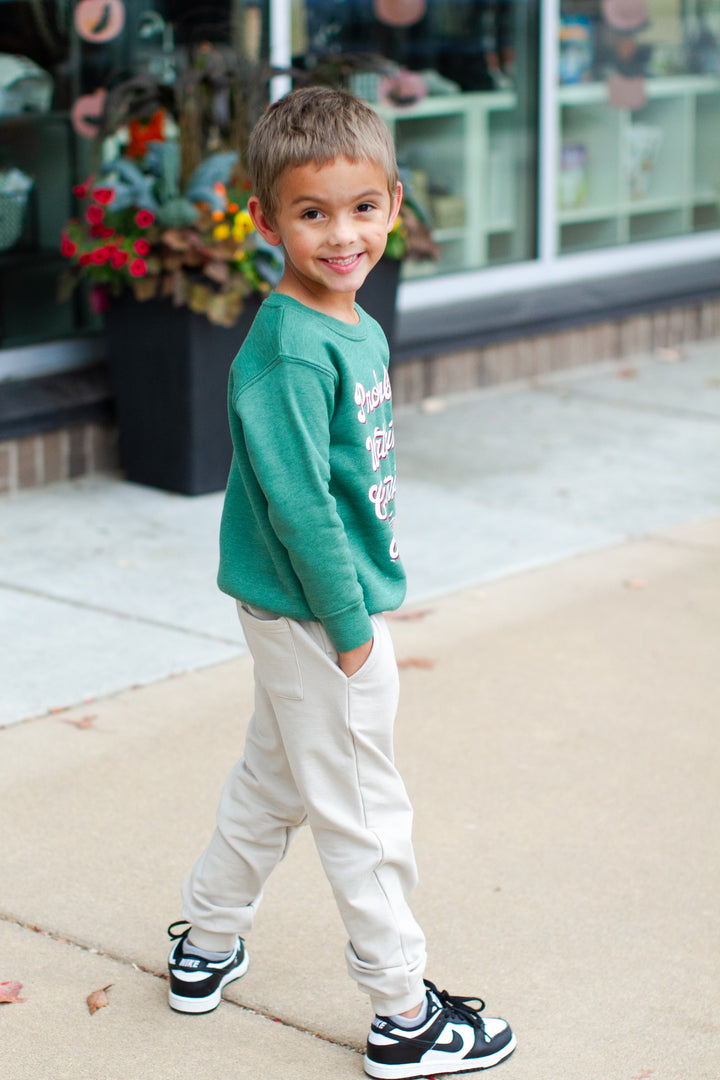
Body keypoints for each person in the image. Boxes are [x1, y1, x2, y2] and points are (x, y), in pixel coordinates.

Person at [166, 85, 516, 1078]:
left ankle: (207, 938)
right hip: (319, 611)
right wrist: (350, 624)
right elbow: (301, 505)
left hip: (314, 607)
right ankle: (403, 1012)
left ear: (394, 206)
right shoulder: (286, 352)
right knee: (365, 811)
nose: (341, 233)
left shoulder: (349, 323)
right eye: (311, 213)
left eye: (361, 208)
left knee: (274, 780)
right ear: (265, 219)